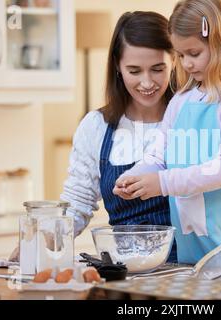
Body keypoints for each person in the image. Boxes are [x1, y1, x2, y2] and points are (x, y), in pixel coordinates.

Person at [114, 0, 221, 264]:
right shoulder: (181, 101)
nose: (187, 64)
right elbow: (157, 157)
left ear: (219, 44)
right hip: (189, 247)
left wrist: (162, 183)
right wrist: (133, 177)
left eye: (194, 53)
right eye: (180, 55)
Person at [58, 11, 177, 262]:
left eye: (157, 69)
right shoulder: (96, 126)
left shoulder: (190, 121)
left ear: (175, 60)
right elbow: (77, 202)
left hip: (187, 267)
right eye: (134, 71)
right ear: (117, 67)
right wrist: (41, 240)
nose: (147, 82)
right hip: (125, 269)